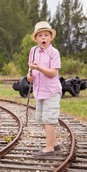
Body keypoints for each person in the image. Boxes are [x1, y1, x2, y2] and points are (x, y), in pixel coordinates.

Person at [27, 21, 62, 157]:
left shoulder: (54, 53)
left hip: (51, 91)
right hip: (39, 90)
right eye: (40, 35)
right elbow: (30, 67)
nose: (43, 38)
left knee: (49, 119)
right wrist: (29, 75)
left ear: (51, 37)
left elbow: (53, 73)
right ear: (36, 39)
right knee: (41, 118)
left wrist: (38, 69)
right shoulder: (33, 51)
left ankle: (49, 148)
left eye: (46, 35)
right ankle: (54, 143)